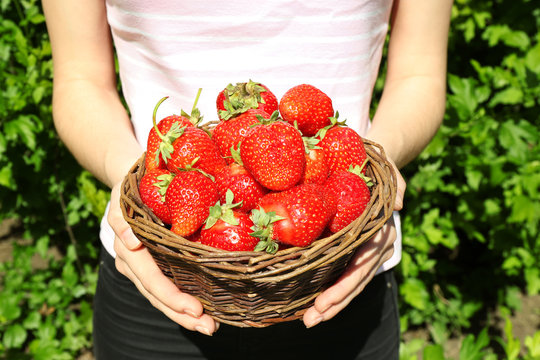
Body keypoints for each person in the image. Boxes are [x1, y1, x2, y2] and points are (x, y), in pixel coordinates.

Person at [42, 0, 452, 358]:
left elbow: (419, 74)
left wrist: (376, 173)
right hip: (157, 267)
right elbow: (81, 79)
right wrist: (130, 182)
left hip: (343, 266)